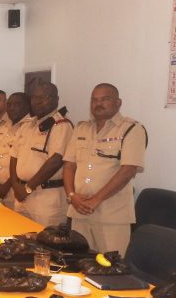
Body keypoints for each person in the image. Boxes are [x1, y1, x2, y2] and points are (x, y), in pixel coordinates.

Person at [63, 84, 146, 255]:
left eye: (105, 99)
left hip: (111, 216)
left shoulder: (132, 129)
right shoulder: (81, 128)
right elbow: (69, 165)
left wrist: (96, 200)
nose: (98, 104)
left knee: (111, 269)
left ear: (118, 103)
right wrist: (72, 196)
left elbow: (128, 170)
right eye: (94, 100)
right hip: (79, 211)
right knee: (79, 263)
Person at [10, 82, 73, 226]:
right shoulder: (26, 125)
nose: (37, 102)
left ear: (56, 99)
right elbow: (13, 156)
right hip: (21, 195)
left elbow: (55, 161)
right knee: (20, 241)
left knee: (46, 243)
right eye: (34, 98)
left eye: (44, 97)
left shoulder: (62, 125)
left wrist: (28, 188)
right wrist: (15, 185)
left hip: (46, 197)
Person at [0, 92, 30, 208]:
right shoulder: (3, 126)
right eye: (9, 104)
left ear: (27, 105)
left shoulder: (30, 127)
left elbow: (20, 160)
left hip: (14, 191)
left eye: (17, 104)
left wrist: (6, 186)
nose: (12, 108)